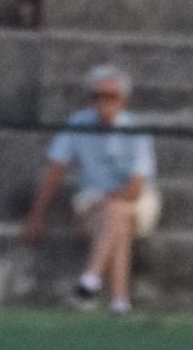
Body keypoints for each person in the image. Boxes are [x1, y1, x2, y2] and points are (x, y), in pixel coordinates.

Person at [21, 65, 162, 315]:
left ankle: (88, 284)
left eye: (110, 96)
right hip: (93, 200)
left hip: (134, 199)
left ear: (123, 100)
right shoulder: (78, 123)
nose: (103, 102)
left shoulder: (136, 131)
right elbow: (55, 169)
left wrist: (109, 202)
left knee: (117, 211)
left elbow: (136, 188)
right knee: (118, 219)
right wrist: (37, 215)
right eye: (97, 96)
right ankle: (118, 303)